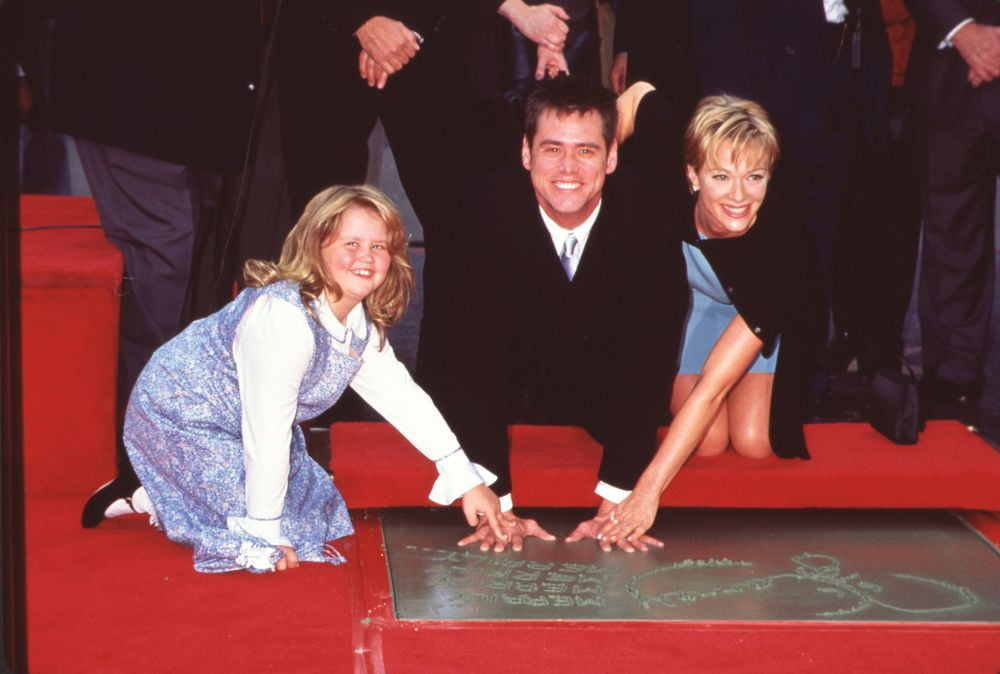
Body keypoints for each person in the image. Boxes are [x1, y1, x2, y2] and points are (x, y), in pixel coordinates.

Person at [84, 185, 507, 573]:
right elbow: (266, 432)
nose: (367, 257)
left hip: (238, 423)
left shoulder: (357, 320)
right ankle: (147, 490)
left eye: (379, 246)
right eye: (351, 244)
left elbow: (404, 398)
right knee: (258, 531)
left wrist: (467, 480)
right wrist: (265, 535)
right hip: (180, 415)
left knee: (312, 515)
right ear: (317, 247)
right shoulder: (282, 318)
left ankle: (160, 492)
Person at [430, 75, 689, 553]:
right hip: (510, 379)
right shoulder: (482, 214)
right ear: (526, 153)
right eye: (552, 149)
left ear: (611, 156)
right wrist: (498, 502)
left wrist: (616, 498)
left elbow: (646, 359)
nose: (568, 167)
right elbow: (472, 363)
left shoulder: (648, 216)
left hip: (601, 386)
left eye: (586, 151)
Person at [598, 87, 821, 546]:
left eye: (755, 177)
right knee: (710, 441)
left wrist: (647, 491)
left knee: (756, 442)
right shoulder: (668, 157)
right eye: (721, 176)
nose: (739, 196)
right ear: (693, 175)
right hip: (692, 305)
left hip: (755, 315)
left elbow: (714, 385)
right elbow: (640, 95)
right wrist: (598, 156)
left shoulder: (780, 247)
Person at [906, 0, 1000, 417]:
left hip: (969, 61)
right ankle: (955, 372)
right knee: (952, 230)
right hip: (951, 67)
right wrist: (962, 31)